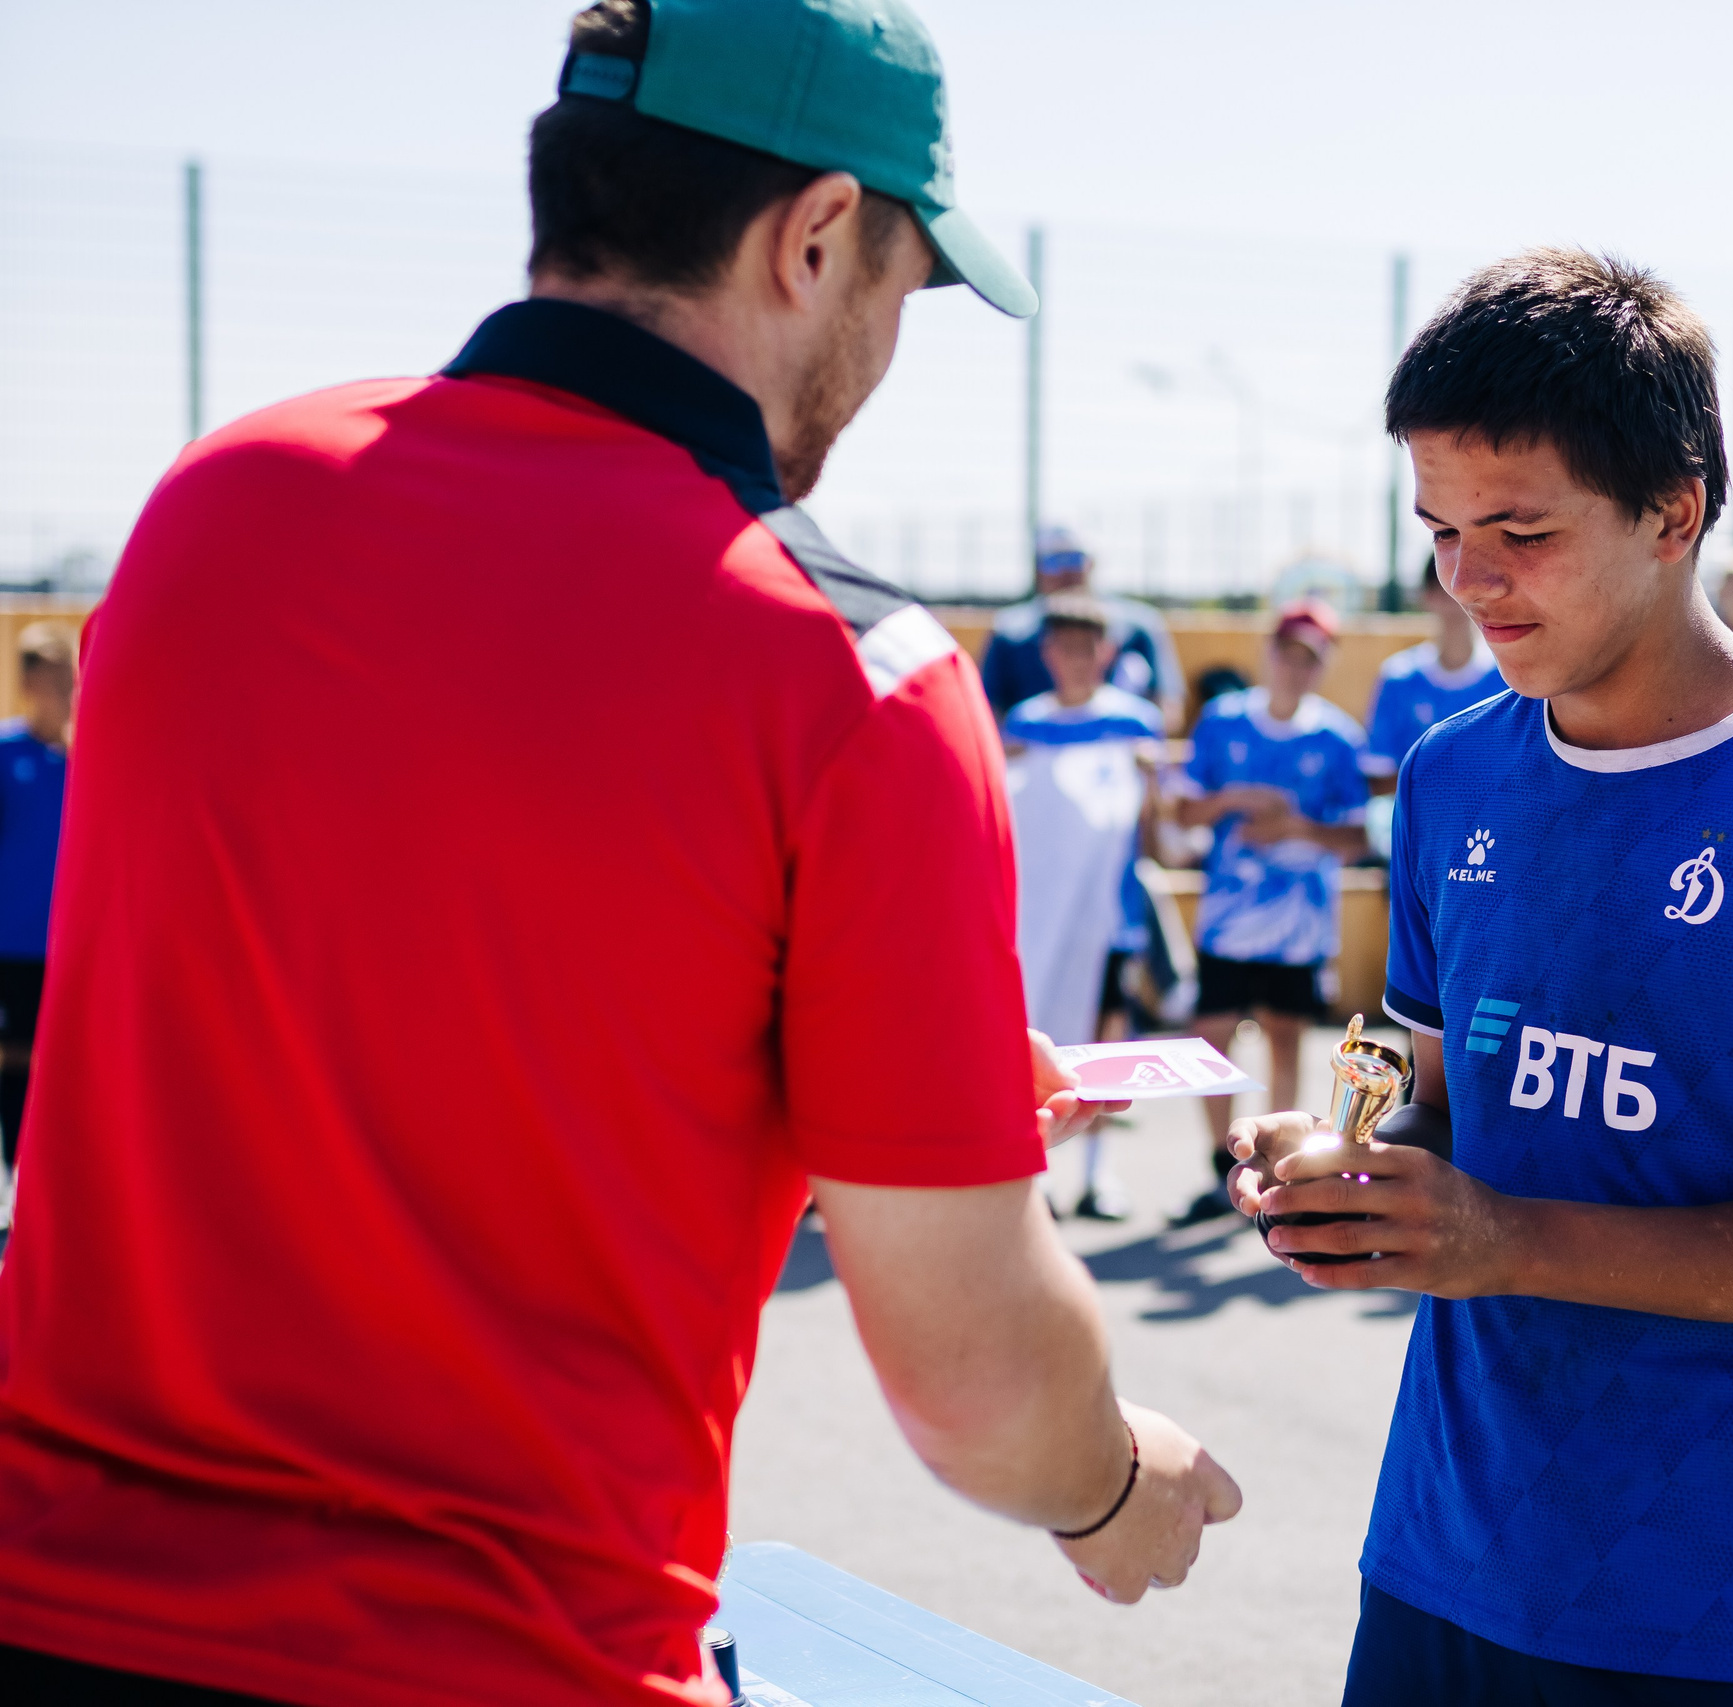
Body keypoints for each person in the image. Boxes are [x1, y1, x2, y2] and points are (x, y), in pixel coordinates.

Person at [0, 5, 1242, 1701]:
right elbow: (975, 1387)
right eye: (903, 283)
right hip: (507, 1657)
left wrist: (853, 1097)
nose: (889, 341)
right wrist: (1113, 1479)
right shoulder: (851, 670)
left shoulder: (212, 509)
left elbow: (360, 1023)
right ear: (815, 237)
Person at [1229, 248, 1733, 1707]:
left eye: (1520, 528)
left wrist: (1506, 1237)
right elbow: (1438, 1111)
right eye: (1441, 528)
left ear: (1674, 511)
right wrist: (1340, 1164)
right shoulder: (1450, 774)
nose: (1469, 577)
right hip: (1440, 1551)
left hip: (1705, 1604)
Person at [1167, 599, 1370, 1225]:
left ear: (1323, 664)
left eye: (1310, 657)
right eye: (1287, 651)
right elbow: (1181, 812)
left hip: (1300, 925)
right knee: (1212, 1037)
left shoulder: (1337, 737)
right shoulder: (1224, 722)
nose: (1295, 666)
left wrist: (1296, 827)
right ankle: (1216, 1165)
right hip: (1228, 917)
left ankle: (1271, 1166)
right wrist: (1233, 798)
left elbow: (1359, 837)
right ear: (1268, 651)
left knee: (1286, 1036)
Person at [1003, 594, 1163, 1222]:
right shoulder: (1024, 724)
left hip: (1111, 911)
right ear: (1047, 654)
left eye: (1085, 647)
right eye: (1062, 647)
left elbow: (1155, 825)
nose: (1073, 659)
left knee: (1106, 1036)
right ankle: (1035, 1167)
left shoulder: (1135, 723)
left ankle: (1099, 1176)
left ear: (1106, 652)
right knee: (1035, 1035)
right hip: (1037, 921)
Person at [0, 622, 75, 1218]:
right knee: (14, 1061)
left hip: (70, 947)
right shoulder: (6, 756)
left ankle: (47, 1193)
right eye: (52, 677)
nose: (66, 689)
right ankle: (14, 1186)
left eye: (69, 677)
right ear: (28, 682)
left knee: (64, 1066)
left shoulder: (84, 758)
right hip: (11, 945)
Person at [980, 525, 1183, 726]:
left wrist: (1128, 740)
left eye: (1075, 559)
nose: (1066, 571)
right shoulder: (1010, 632)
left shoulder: (1138, 627)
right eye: (1053, 561)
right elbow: (989, 710)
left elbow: (1167, 708)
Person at [1362, 557, 1500, 787]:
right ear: (1427, 596)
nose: (1455, 597)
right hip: (1419, 822)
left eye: (1467, 585)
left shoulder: (1508, 678)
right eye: (1445, 586)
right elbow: (1379, 775)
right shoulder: (1398, 678)